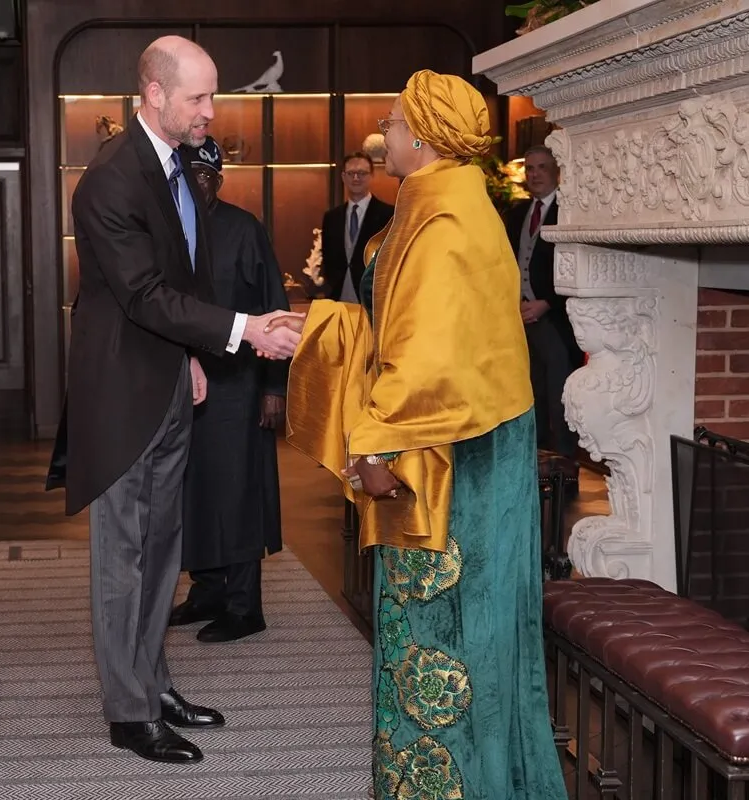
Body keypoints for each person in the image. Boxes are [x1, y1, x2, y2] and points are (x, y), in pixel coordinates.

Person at [269, 71, 567, 798]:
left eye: (394, 123)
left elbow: (427, 360)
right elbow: (402, 327)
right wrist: (317, 325)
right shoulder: (442, 204)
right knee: (452, 635)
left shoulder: (442, 220)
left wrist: (372, 444)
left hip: (449, 460)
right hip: (457, 443)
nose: (384, 133)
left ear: (426, 138)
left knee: (445, 640)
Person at [59, 35, 301, 764]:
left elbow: (181, 282)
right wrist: (244, 329)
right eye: (198, 97)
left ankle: (154, 683)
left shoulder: (176, 167)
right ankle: (128, 713)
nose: (210, 111)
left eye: (212, 95)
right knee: (123, 559)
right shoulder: (110, 179)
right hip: (122, 394)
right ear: (155, 93)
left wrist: (193, 357)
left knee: (164, 550)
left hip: (169, 378)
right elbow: (143, 294)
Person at [170, 136, 287, 643]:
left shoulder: (244, 228)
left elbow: (275, 308)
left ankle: (244, 606)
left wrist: (275, 388)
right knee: (194, 489)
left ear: (219, 178)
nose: (198, 184)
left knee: (237, 492)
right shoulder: (171, 227)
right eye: (188, 175)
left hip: (240, 385)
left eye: (206, 175)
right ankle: (207, 591)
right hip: (186, 382)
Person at [505, 145, 582, 457]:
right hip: (520, 317)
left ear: (556, 172)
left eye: (542, 168)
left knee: (558, 392)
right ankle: (535, 459)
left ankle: (565, 462)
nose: (535, 174)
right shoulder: (516, 213)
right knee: (530, 389)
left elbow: (575, 263)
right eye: (530, 168)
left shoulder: (569, 211)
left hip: (556, 317)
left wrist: (546, 302)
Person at [318, 152, 394, 302]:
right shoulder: (331, 217)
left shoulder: (388, 215)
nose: (356, 178)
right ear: (343, 177)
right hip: (338, 297)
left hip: (374, 299)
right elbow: (327, 259)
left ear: (371, 175)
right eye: (351, 173)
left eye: (362, 173)